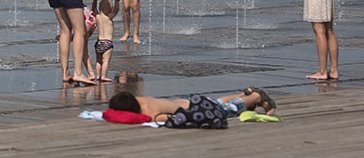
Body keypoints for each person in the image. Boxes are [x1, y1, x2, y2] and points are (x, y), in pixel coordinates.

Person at [108, 87, 276, 120]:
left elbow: (169, 118)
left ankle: (255, 97)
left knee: (225, 110)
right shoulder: (141, 99)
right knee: (216, 103)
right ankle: (243, 95)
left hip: (195, 108)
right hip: (186, 99)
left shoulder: (150, 114)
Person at [94, 0, 120, 82]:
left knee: (98, 61)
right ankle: (104, 76)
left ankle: (97, 76)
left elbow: (93, 10)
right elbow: (117, 10)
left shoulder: (97, 17)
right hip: (107, 43)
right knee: (106, 61)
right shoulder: (109, 17)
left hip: (99, 42)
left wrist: (94, 1)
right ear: (110, 9)